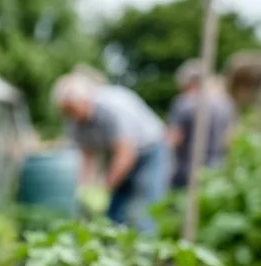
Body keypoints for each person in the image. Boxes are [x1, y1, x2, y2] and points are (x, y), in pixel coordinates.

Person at [51, 71, 168, 233]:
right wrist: (84, 188)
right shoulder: (75, 120)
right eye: (66, 112)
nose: (71, 117)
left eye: (72, 109)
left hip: (149, 150)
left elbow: (126, 154)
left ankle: (146, 250)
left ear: (84, 100)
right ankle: (113, 248)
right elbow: (87, 155)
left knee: (143, 208)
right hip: (117, 155)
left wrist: (104, 187)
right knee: (114, 210)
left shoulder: (112, 109)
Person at [167, 59, 236, 189]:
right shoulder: (226, 104)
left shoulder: (184, 102)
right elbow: (230, 139)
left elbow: (174, 138)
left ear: (189, 82)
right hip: (217, 172)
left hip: (187, 171)